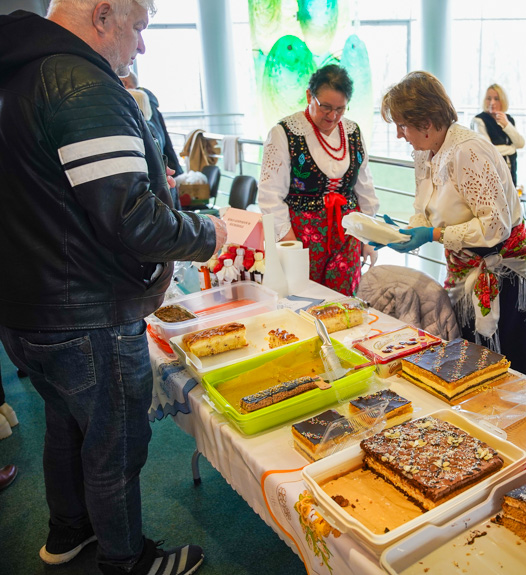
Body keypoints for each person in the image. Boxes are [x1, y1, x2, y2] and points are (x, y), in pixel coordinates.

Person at [0, 2, 227, 574]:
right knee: (114, 447)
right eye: (141, 27)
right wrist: (208, 233)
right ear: (104, 16)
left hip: (28, 309)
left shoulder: (18, 73)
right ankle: (128, 562)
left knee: (65, 430)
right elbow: (134, 220)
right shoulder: (81, 83)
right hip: (87, 313)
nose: (142, 46)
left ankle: (69, 531)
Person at [378, 71, 526, 374]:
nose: (399, 134)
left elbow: (495, 227)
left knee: (500, 360)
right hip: (464, 265)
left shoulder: (468, 152)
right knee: (468, 352)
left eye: (402, 125)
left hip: (499, 268)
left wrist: (434, 234)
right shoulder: (425, 151)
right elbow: (424, 206)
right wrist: (403, 233)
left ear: (427, 123)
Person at [258, 64, 379, 296]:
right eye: (325, 107)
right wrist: (289, 245)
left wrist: (368, 237)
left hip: (348, 235)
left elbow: (365, 189)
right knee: (303, 299)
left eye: (340, 109)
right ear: (308, 96)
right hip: (301, 237)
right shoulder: (284, 133)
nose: (332, 116)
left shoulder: (353, 132)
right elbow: (270, 196)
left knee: (344, 301)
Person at [122, 71, 184, 178]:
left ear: (124, 82)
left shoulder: (133, 105)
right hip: (165, 175)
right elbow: (167, 146)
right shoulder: (152, 106)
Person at [470, 84, 525, 186]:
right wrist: (511, 149)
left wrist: (506, 125)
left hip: (510, 174)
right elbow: (486, 149)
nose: (492, 103)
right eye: (488, 98)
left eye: (496, 99)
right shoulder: (478, 121)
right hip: (490, 177)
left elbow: (520, 143)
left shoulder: (508, 119)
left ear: (503, 100)